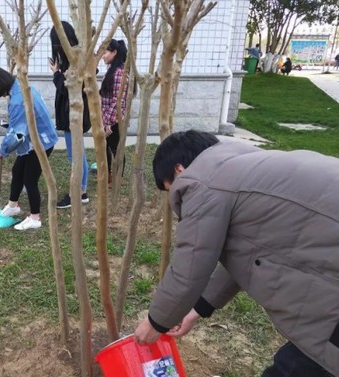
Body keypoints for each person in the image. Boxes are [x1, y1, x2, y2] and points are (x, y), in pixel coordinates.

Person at [134, 130, 339, 376]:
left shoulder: (202, 182)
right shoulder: (244, 168)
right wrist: (198, 308)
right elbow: (247, 254)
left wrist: (155, 322)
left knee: (298, 367)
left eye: (171, 189)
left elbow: (189, 268)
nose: (176, 197)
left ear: (179, 170)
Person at [0, 66, 58, 231]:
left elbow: (18, 135)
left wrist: (3, 151)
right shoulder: (19, 85)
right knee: (17, 170)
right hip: (35, 138)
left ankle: (35, 218)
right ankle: (13, 205)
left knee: (30, 179)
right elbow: (23, 122)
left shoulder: (17, 100)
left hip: (40, 142)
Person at [49, 21, 91, 209]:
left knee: (75, 156)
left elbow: (69, 90)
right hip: (73, 115)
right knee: (77, 153)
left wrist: (57, 74)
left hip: (74, 117)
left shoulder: (74, 62)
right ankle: (81, 191)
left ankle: (80, 192)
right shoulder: (76, 58)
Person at [100, 39, 129, 186]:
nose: (103, 56)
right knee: (106, 149)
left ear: (114, 52)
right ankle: (109, 177)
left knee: (116, 150)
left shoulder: (118, 73)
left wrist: (109, 124)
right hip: (107, 119)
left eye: (105, 52)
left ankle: (117, 178)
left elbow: (118, 101)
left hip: (114, 121)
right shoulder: (112, 70)